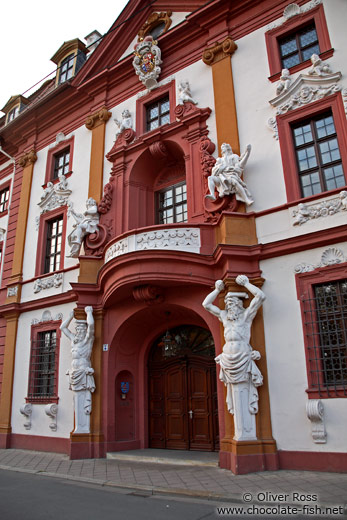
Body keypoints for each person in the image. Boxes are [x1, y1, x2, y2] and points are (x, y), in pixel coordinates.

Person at [202, 275, 265, 423]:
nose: (229, 307)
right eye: (228, 305)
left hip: (242, 356)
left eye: (232, 304)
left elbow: (260, 296)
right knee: (232, 392)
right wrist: (217, 290)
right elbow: (206, 304)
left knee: (244, 390)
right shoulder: (224, 317)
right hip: (228, 359)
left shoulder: (246, 316)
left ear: (239, 305)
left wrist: (247, 284)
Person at [60, 306, 95, 434]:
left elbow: (91, 327)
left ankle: (83, 427)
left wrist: (89, 312)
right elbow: (62, 328)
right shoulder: (74, 341)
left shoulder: (87, 340)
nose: (79, 331)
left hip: (83, 372)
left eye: (82, 329)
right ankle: (80, 427)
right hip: (74, 373)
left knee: (83, 397)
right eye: (78, 329)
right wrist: (70, 317)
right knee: (76, 400)